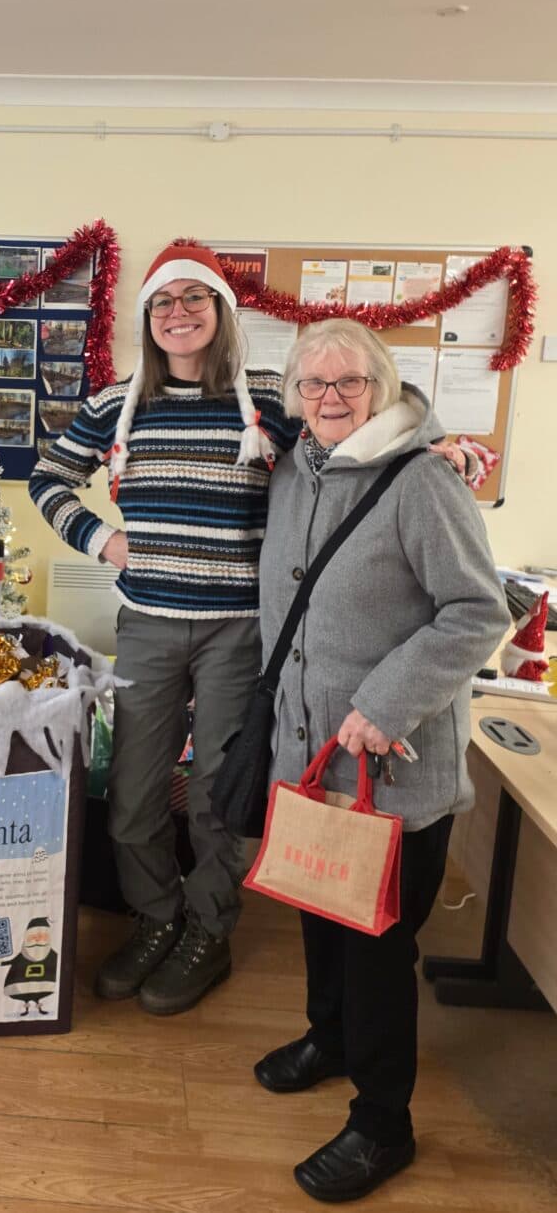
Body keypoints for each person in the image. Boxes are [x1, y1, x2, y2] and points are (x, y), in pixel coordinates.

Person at [253, 319, 509, 1202]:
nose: (329, 398)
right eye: (313, 384)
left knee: (376, 951)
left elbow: (478, 613)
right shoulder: (295, 468)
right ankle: (330, 1039)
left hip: (390, 766)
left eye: (349, 383)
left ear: (383, 387)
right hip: (308, 754)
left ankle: (382, 1123)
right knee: (319, 917)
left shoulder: (423, 479)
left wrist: (382, 702)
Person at [29, 240, 302, 1015]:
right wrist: (101, 539)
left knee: (218, 792)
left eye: (195, 298)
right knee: (134, 796)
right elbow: (50, 476)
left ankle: (209, 930)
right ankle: (157, 917)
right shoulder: (119, 403)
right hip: (148, 623)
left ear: (221, 310)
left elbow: (351, 438)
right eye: (164, 302)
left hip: (238, 632)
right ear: (148, 319)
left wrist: (438, 447)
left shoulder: (271, 398)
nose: (179, 313)